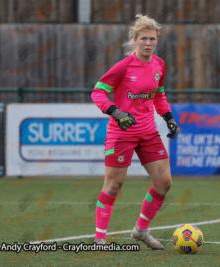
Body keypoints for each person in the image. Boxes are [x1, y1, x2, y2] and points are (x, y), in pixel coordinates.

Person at [90, 14, 180, 250]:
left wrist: (169, 118)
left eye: (152, 39)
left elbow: (158, 95)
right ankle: (100, 239)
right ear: (135, 40)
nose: (148, 43)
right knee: (113, 186)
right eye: (143, 39)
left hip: (148, 132)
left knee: (164, 183)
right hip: (122, 133)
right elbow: (98, 92)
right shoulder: (124, 67)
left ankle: (141, 230)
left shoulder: (159, 64)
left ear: (157, 40)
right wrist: (116, 113)